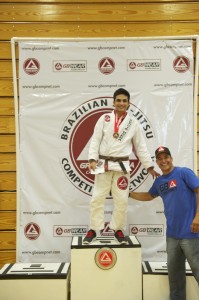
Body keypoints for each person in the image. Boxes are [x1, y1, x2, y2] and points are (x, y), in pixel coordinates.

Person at [83, 88, 159, 245]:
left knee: (122, 200)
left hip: (122, 166)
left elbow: (141, 146)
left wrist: (149, 166)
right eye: (118, 100)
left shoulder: (133, 123)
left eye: (124, 101)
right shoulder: (104, 118)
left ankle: (118, 228)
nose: (121, 103)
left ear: (129, 104)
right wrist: (92, 158)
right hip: (103, 164)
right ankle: (93, 228)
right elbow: (95, 140)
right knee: (97, 198)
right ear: (114, 102)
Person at [130, 146, 199, 300]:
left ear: (171, 158)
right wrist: (127, 193)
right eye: (159, 159)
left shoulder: (183, 173)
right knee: (175, 275)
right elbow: (149, 196)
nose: (163, 161)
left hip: (191, 233)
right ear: (157, 162)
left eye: (166, 157)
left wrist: (197, 217)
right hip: (172, 236)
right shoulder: (160, 181)